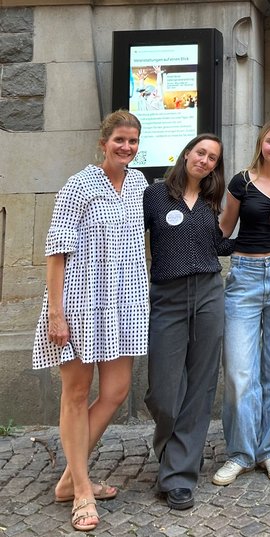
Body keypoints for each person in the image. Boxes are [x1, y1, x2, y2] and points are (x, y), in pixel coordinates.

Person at [32, 110, 149, 531]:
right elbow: (56, 250)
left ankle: (68, 477)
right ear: (104, 142)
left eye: (133, 141)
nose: (127, 147)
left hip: (122, 304)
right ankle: (82, 490)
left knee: (116, 389)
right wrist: (56, 313)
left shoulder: (138, 184)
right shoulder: (79, 185)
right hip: (79, 303)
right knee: (76, 394)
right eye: (120, 140)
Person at [143, 134, 231, 509]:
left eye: (213, 158)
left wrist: (263, 235)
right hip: (168, 296)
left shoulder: (213, 201)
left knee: (200, 387)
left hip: (209, 291)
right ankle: (170, 452)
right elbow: (134, 239)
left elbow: (219, 245)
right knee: (163, 392)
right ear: (187, 154)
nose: (206, 161)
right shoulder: (156, 194)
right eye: (201, 153)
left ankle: (178, 476)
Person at [213, 120, 270, 486]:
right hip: (245, 276)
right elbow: (224, 228)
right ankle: (240, 453)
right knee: (239, 372)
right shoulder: (241, 182)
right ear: (261, 144)